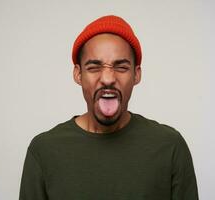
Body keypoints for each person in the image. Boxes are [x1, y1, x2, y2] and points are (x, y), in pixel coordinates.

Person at [19, 15, 199, 200]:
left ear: (136, 75)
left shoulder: (170, 147)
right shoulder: (44, 151)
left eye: (121, 67)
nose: (107, 78)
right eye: (94, 67)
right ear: (78, 74)